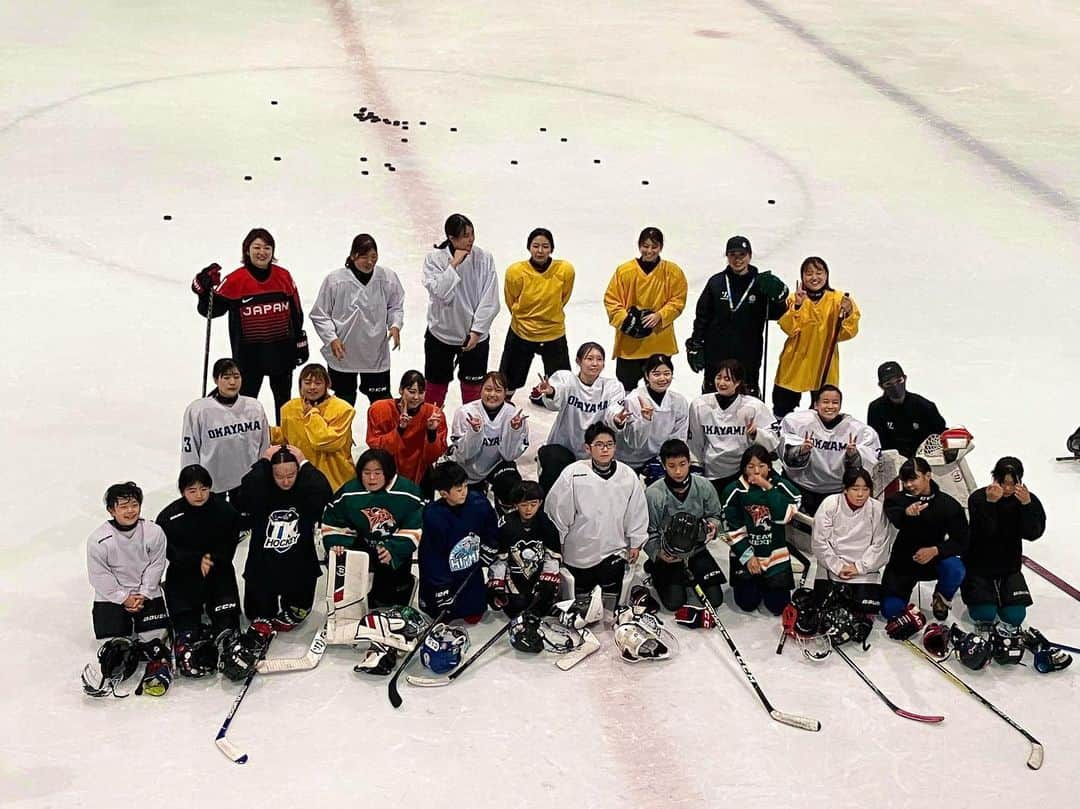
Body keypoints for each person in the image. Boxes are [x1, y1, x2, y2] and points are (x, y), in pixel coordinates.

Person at [191, 228, 306, 422]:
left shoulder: (283, 276)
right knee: (246, 404)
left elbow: (296, 313)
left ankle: (284, 444)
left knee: (284, 403)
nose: (262, 252)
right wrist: (203, 290)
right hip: (249, 357)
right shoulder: (235, 280)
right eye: (257, 247)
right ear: (247, 250)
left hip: (282, 353)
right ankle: (245, 441)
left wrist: (299, 343)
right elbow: (210, 311)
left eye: (267, 248)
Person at [962, 457, 1054, 663]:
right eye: (1004, 482)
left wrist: (1028, 505)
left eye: (1013, 483)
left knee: (1015, 616)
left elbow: (1033, 533)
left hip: (1009, 568)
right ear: (995, 479)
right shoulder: (978, 498)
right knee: (984, 613)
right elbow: (985, 533)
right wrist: (991, 505)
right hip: (979, 566)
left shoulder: (1027, 500)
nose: (1008, 488)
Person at [544, 422, 648, 601]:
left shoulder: (628, 475)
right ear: (587, 448)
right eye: (599, 445)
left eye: (609, 444)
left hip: (613, 549)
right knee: (581, 595)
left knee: (611, 594)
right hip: (579, 553)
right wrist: (557, 543)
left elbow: (637, 512)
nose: (605, 449)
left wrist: (636, 542)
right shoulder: (573, 474)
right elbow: (557, 513)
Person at [85, 482, 171, 696]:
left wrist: (144, 593)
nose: (130, 510)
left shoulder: (154, 532)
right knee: (114, 646)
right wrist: (124, 598)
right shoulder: (98, 539)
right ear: (111, 510)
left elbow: (157, 564)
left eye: (134, 504)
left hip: (146, 593)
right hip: (111, 597)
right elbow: (99, 576)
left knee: (154, 641)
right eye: (123, 506)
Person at [157, 465, 243, 678]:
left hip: (218, 569)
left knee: (227, 619)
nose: (199, 495)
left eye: (203, 489)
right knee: (186, 622)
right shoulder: (168, 517)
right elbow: (168, 550)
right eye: (192, 490)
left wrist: (211, 559)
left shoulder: (226, 510)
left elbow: (230, 543)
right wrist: (196, 560)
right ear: (182, 491)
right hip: (184, 573)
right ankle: (188, 641)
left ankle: (228, 641)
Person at [235, 445, 333, 632]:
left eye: (291, 475)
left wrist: (304, 462)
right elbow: (245, 490)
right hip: (264, 566)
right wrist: (264, 461)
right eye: (279, 476)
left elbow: (324, 492)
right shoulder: (260, 494)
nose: (286, 481)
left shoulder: (305, 492)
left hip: (298, 565)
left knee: (299, 606)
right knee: (257, 613)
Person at [321, 448, 425, 609]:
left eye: (378, 472)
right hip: (362, 542)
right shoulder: (349, 491)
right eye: (366, 472)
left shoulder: (408, 492)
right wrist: (338, 541)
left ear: (388, 472)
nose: (371, 478)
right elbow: (333, 518)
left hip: (392, 545)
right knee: (342, 567)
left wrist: (394, 549)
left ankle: (402, 584)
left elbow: (415, 524)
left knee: (386, 601)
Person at [308, 233, 404, 407]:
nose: (369, 262)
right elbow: (320, 314)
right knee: (342, 404)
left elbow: (395, 306)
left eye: (373, 257)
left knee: (381, 405)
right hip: (343, 353)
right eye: (364, 257)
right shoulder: (335, 281)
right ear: (353, 256)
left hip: (375, 354)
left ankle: (380, 436)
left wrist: (395, 325)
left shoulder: (387, 278)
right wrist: (331, 338)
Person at [687, 235, 789, 397]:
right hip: (716, 354)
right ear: (727, 256)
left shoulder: (760, 284)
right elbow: (702, 316)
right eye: (733, 255)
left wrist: (779, 297)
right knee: (714, 399)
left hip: (748, 355)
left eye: (742, 255)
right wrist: (695, 344)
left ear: (750, 255)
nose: (737, 259)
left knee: (746, 402)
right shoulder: (716, 282)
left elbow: (777, 314)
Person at [421, 213, 500, 406]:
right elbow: (440, 293)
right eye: (465, 235)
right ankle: (432, 432)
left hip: (475, 338)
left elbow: (490, 299)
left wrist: (477, 331)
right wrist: (453, 265)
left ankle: (470, 431)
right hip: (441, 335)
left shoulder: (484, 258)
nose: (471, 239)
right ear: (451, 238)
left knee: (473, 391)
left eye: (472, 234)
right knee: (435, 390)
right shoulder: (434, 260)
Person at [772, 256, 860, 419]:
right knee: (782, 408)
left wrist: (847, 313)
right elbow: (789, 328)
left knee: (822, 411)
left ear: (827, 275)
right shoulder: (794, 298)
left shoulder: (838, 299)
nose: (814, 277)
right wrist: (797, 306)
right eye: (809, 273)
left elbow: (848, 332)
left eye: (819, 272)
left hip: (824, 361)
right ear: (802, 277)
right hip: (795, 362)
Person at [881, 457, 968, 622]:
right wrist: (907, 513)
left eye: (913, 479)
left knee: (955, 567)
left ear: (928, 475)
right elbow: (896, 516)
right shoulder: (895, 500)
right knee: (890, 612)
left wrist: (936, 550)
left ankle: (941, 597)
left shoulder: (949, 505)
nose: (908, 485)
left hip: (933, 560)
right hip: (903, 563)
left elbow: (962, 541)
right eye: (904, 481)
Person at [644, 439, 725, 613]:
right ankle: (655, 569)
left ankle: (690, 572)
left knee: (715, 599)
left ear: (689, 462)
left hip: (696, 549)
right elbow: (647, 531)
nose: (678, 471)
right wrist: (658, 554)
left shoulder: (704, 486)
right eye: (672, 466)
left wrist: (713, 527)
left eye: (682, 464)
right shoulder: (653, 494)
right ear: (664, 466)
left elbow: (716, 515)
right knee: (675, 603)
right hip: (668, 553)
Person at [603, 226, 688, 391]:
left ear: (661, 247)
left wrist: (661, 315)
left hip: (659, 341)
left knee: (658, 388)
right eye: (645, 246)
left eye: (654, 247)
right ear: (639, 246)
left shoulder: (673, 272)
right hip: (630, 344)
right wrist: (626, 320)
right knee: (626, 389)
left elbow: (678, 300)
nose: (649, 251)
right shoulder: (624, 271)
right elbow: (611, 299)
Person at [534, 342, 626, 492]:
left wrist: (617, 419)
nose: (595, 363)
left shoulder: (612, 386)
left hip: (595, 451)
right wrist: (551, 392)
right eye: (589, 358)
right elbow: (556, 399)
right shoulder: (566, 378)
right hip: (564, 447)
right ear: (578, 361)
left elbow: (614, 410)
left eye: (599, 359)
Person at [721, 445, 801, 615]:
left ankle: (768, 582)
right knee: (747, 603)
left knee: (778, 607)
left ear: (770, 466)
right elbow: (727, 529)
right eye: (751, 466)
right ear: (743, 468)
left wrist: (768, 488)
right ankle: (755, 582)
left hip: (775, 557)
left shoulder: (780, 485)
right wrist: (748, 557)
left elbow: (784, 516)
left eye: (762, 466)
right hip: (746, 556)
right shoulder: (733, 490)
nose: (756, 471)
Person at [811, 468, 891, 635]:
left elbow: (880, 545)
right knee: (824, 614)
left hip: (865, 570)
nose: (860, 494)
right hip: (832, 568)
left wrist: (859, 567)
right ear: (845, 489)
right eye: (855, 489)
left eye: (865, 489)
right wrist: (838, 566)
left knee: (863, 615)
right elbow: (819, 542)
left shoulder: (877, 509)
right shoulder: (830, 504)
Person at [779, 385, 880, 517]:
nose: (830, 406)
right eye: (825, 402)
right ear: (815, 404)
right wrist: (801, 450)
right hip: (801, 487)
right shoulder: (797, 422)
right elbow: (785, 455)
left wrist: (853, 455)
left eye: (835, 402)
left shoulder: (859, 431)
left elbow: (868, 464)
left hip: (835, 492)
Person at [180, 357, 270, 506]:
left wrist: (261, 475)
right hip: (212, 484)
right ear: (216, 379)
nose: (232, 382)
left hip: (247, 482)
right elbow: (189, 450)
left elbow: (264, 444)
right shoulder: (198, 410)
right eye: (226, 377)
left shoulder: (254, 407)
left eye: (236, 377)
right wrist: (191, 482)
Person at [499, 227, 574, 402]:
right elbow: (512, 301)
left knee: (562, 383)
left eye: (545, 246)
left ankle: (551, 400)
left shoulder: (565, 270)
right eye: (536, 246)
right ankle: (502, 411)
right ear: (529, 247)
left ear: (552, 249)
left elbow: (564, 297)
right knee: (508, 380)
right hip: (521, 333)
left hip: (553, 333)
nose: (540, 251)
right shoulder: (515, 272)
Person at [418, 461, 497, 623]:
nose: (464, 493)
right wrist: (441, 588)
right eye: (459, 490)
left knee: (474, 612)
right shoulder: (433, 515)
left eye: (466, 487)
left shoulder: (479, 503)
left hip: (470, 569)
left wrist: (490, 548)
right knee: (441, 613)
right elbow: (431, 556)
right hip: (445, 572)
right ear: (444, 493)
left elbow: (491, 528)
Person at [687, 359, 778, 497]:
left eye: (727, 379)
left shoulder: (754, 407)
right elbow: (695, 443)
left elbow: (774, 442)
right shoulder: (699, 405)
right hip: (711, 472)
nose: (722, 383)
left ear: (738, 382)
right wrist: (696, 470)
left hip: (742, 473)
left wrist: (756, 434)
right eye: (719, 377)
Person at [446, 371, 529, 509]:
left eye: (498, 390)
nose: (492, 395)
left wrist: (514, 430)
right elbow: (465, 454)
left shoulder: (515, 416)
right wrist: (475, 432)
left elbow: (509, 456)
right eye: (488, 389)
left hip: (495, 466)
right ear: (481, 389)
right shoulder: (465, 413)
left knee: (512, 485)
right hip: (466, 469)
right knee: (468, 507)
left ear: (506, 392)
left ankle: (505, 512)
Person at [605, 353, 690, 482]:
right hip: (629, 460)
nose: (662, 378)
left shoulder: (679, 401)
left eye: (667, 373)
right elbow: (634, 442)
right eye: (656, 374)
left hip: (658, 460)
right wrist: (645, 420)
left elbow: (678, 439)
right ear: (646, 376)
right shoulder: (633, 399)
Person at [272, 363, 356, 492]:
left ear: (327, 385)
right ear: (300, 385)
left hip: (336, 480)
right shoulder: (289, 408)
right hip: (302, 478)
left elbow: (324, 442)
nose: (312, 387)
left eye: (318, 383)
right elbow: (285, 437)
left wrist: (312, 414)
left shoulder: (343, 409)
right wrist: (266, 432)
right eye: (307, 382)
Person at [487, 480, 563, 618]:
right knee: (516, 605)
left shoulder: (546, 524)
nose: (529, 509)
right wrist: (498, 584)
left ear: (540, 503)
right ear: (515, 505)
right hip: (513, 577)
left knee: (543, 602)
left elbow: (551, 555)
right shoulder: (506, 525)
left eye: (533, 504)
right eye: (523, 505)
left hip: (537, 576)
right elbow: (500, 559)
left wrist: (548, 580)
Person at [366, 370, 448, 491]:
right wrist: (400, 429)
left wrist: (431, 432)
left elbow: (433, 457)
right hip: (387, 471)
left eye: (421, 392)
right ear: (400, 390)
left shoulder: (434, 415)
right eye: (412, 391)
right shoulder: (379, 410)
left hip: (421, 473)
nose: (416, 397)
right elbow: (376, 449)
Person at [866, 361, 946, 459]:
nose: (895, 387)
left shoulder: (924, 406)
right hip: (891, 463)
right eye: (888, 384)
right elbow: (875, 443)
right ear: (881, 386)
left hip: (923, 462)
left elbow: (940, 434)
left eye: (899, 381)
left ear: (905, 378)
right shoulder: (876, 409)